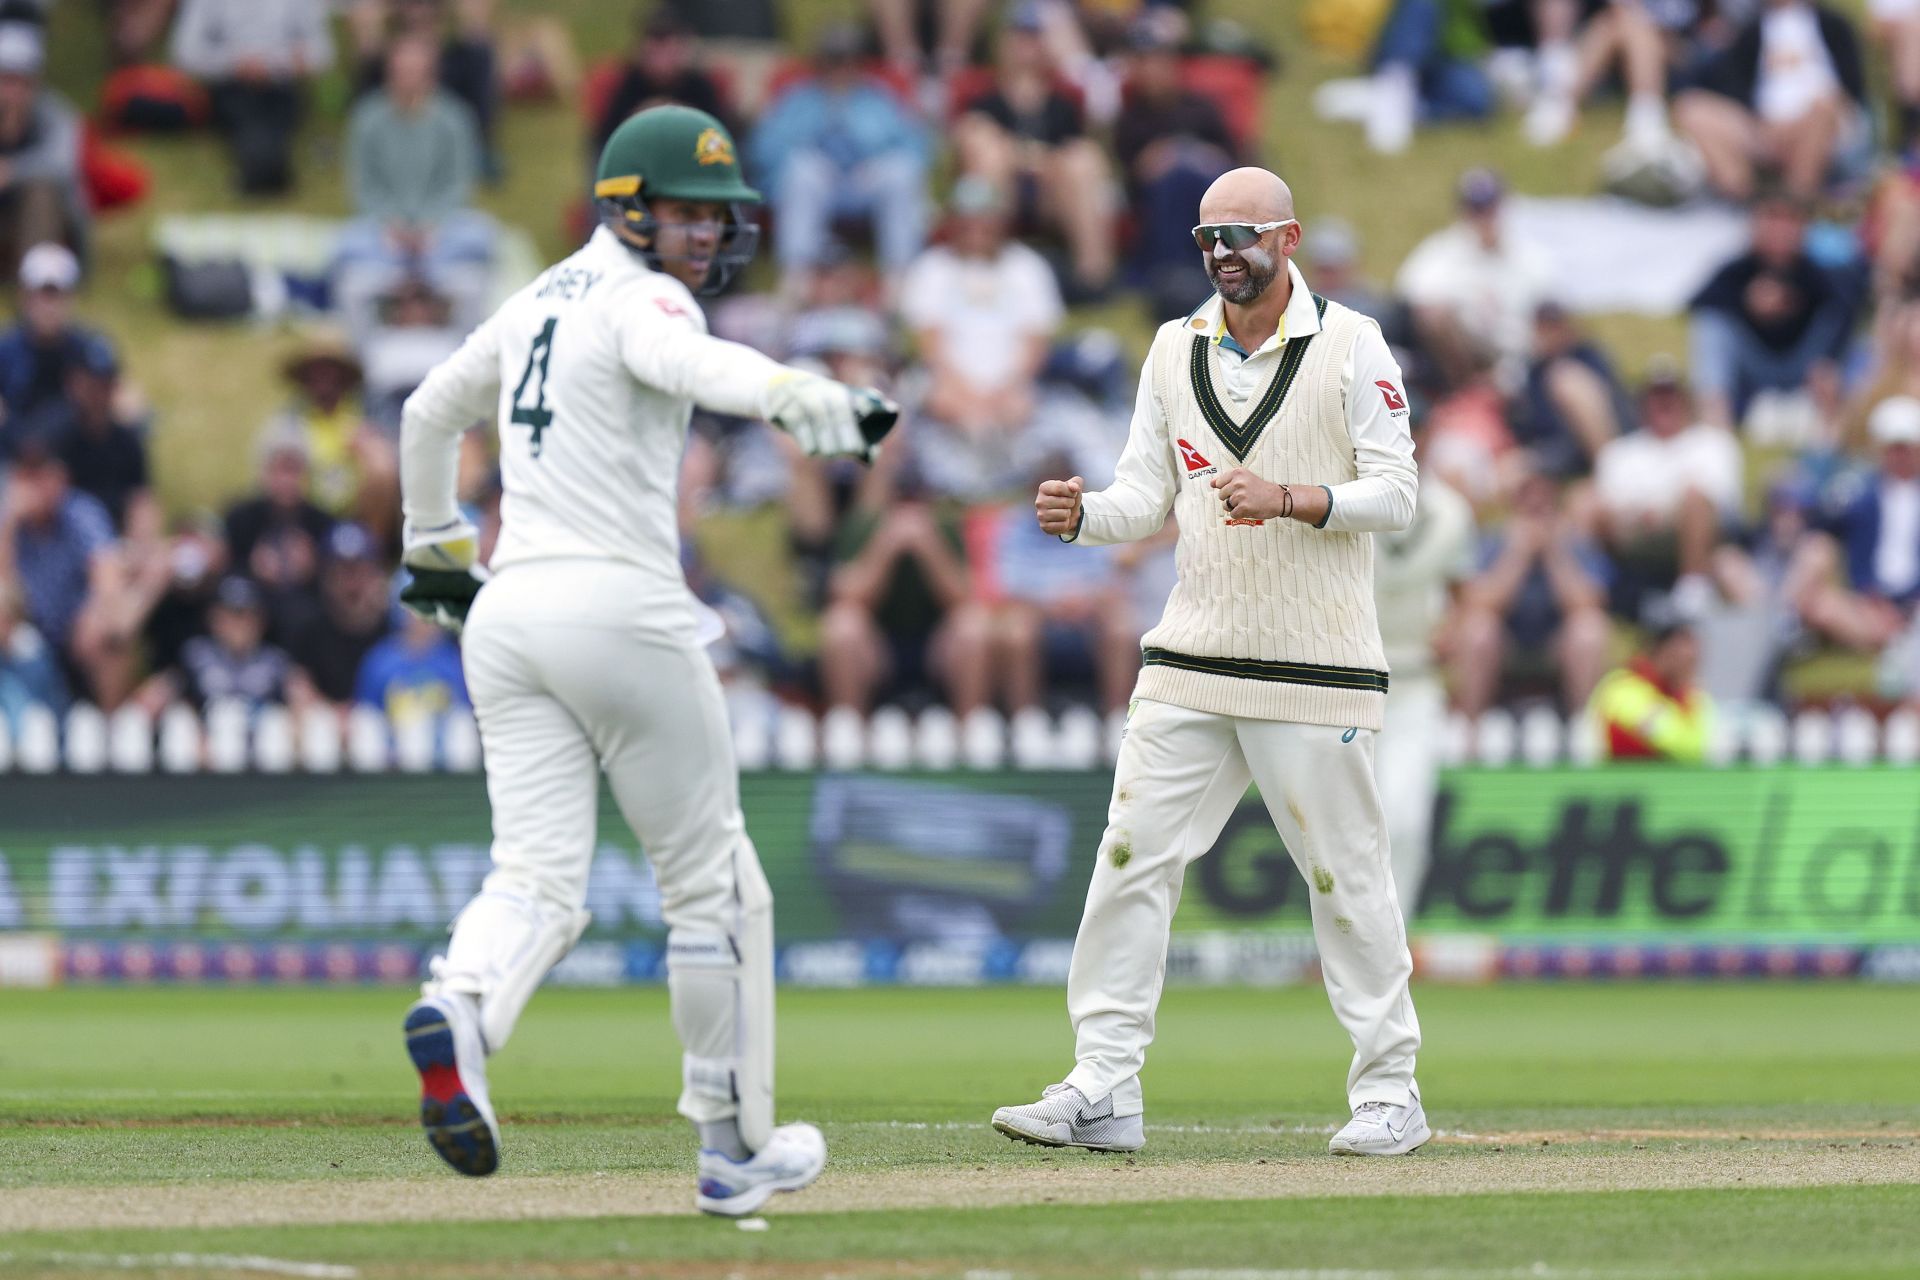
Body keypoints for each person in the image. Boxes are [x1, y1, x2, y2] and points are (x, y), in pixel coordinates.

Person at [394, 104, 887, 1212]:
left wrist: (436, 548)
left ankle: (463, 1014)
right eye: (685, 213)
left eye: (718, 218)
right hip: (620, 608)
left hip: (509, 614)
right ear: (627, 210)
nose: (706, 236)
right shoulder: (640, 294)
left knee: (534, 877)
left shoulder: (530, 300)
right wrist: (803, 395)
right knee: (716, 882)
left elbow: (428, 412)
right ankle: (733, 1143)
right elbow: (688, 355)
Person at [994, 167, 1428, 1158]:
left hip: (1315, 661)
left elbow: (1396, 493)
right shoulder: (1172, 348)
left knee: (1345, 873)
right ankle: (1103, 1081)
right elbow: (1144, 497)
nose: (1224, 255)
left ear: (1289, 236)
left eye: (1242, 236)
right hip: (1191, 652)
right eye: (1208, 239)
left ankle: (1391, 1088)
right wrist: (1080, 520)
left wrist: (1294, 498)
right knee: (1128, 855)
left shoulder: (1352, 344)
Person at [747, 23, 931, 287]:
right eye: (835, 59)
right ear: (821, 62)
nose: (842, 67)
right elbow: (765, 149)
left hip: (865, 182)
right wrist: (812, 156)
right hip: (818, 184)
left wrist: (874, 162)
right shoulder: (798, 97)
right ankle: (798, 277)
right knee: (803, 169)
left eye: (850, 59)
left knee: (900, 171)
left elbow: (915, 146)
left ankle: (899, 278)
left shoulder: (878, 97)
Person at [336, 32, 494, 335]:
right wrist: (390, 224)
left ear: (430, 75)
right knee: (343, 245)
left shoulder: (454, 118)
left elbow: (458, 183)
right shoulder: (367, 118)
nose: (408, 79)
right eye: (401, 72)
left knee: (482, 237)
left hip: (441, 232)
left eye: (415, 72)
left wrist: (431, 225)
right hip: (384, 234)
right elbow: (364, 186)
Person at [1372, 449, 1474, 918]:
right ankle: (1346, 940)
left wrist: (1453, 630)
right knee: (1344, 826)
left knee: (1406, 820)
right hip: (1349, 680)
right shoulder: (1333, 495)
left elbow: (1463, 594)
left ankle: (1394, 938)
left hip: (1416, 682)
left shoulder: (1451, 511)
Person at [1688, 190, 1855, 432]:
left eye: (1787, 221)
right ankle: (1715, 422)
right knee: (1711, 323)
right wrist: (1747, 303)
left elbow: (1844, 308)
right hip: (1753, 368)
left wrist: (1792, 304)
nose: (1779, 230)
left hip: (1804, 368)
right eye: (1771, 219)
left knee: (1831, 326)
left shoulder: (1816, 274)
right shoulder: (1736, 270)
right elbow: (1698, 301)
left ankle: (1830, 431)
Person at [1674, 0, 1867, 203]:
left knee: (1822, 113)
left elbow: (1853, 87)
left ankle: (1794, 209)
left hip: (1823, 124)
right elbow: (1727, 84)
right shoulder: (1749, 30)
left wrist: (1805, 118)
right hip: (1763, 127)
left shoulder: (1834, 25)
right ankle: (1746, 202)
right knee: (1691, 109)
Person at [1396, 169, 1553, 395]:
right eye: (1476, 208)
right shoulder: (1441, 252)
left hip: (1520, 355)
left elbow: (1549, 316)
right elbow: (1412, 298)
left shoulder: (1530, 258)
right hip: (1466, 356)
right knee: (1435, 316)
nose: (1484, 217)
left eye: (1490, 207)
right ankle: (1465, 389)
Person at [170, 0, 334, 195]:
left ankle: (265, 165)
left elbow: (323, 53)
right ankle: (260, 165)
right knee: (248, 127)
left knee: (271, 127)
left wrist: (278, 63)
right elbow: (185, 52)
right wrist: (234, 63)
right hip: (228, 88)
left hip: (282, 88)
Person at [0, 19, 86, 269]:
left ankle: (38, 283)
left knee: (42, 191)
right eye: (6, 80)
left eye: (21, 82)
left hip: (42, 224)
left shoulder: (57, 115)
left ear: (35, 82)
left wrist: (11, 171)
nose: (11, 93)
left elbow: (63, 165)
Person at [0, 243, 112, 428]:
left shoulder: (91, 349)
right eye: (44, 295)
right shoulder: (5, 349)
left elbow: (125, 402)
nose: (50, 307)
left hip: (74, 449)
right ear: (24, 297)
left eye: (57, 295)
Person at [1590, 602, 1713, 761]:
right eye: (1685, 643)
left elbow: (1700, 746)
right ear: (1663, 648)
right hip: (1621, 783)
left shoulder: (1689, 692)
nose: (1694, 654)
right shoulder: (1621, 686)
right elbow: (1679, 745)